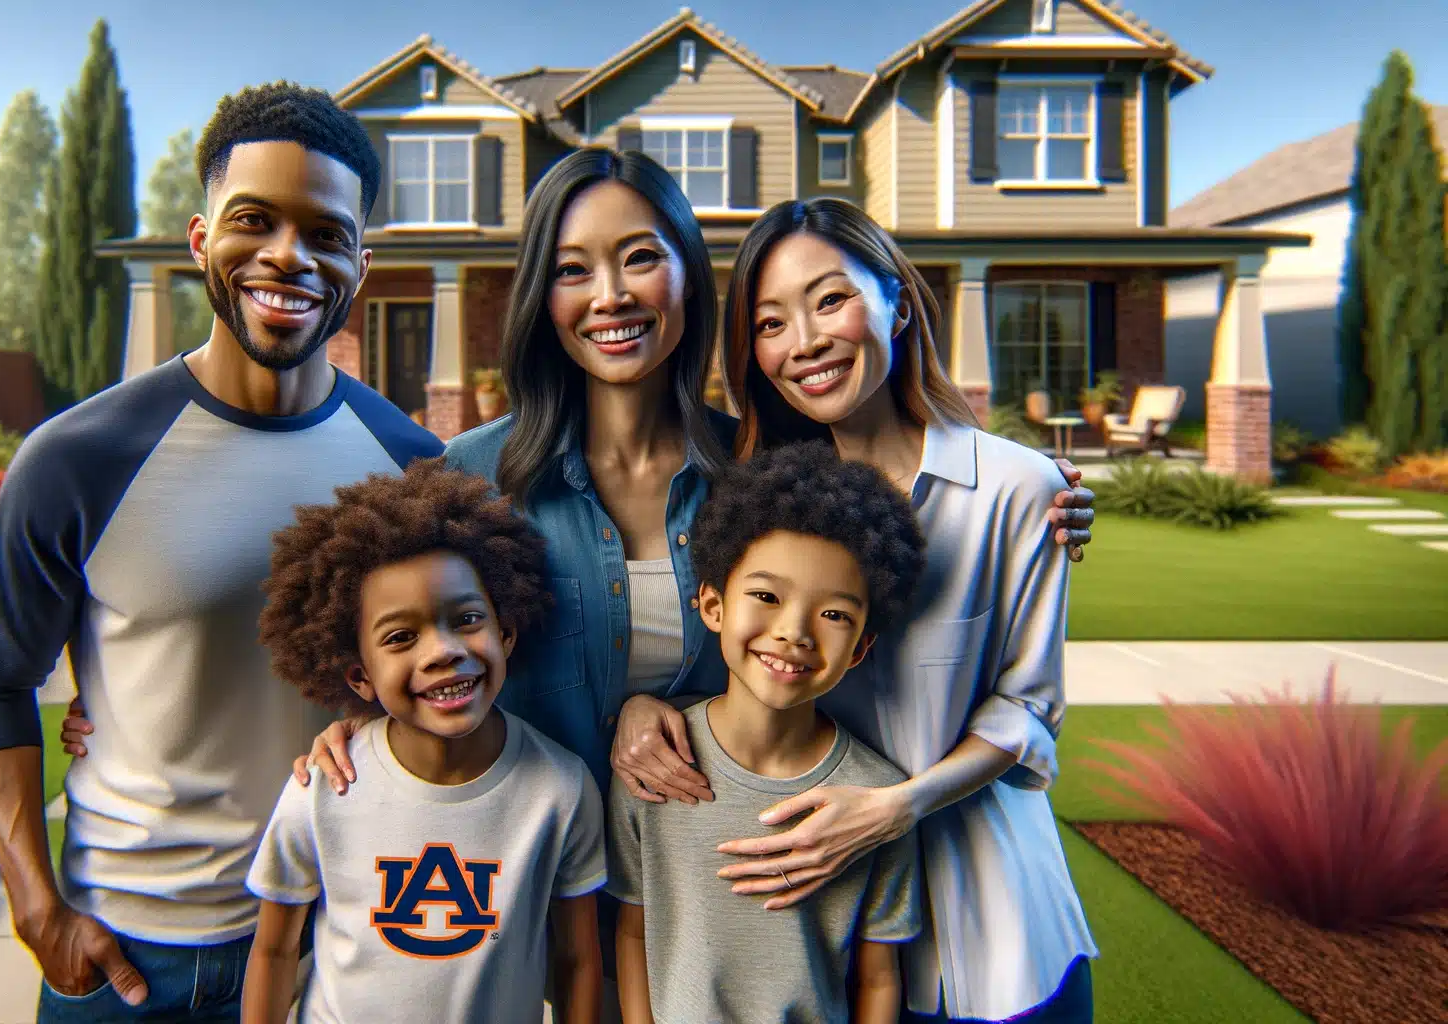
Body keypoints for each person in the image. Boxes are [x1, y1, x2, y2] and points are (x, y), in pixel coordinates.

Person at [61, 148, 1098, 1015]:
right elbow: (401, 640)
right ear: (538, 297)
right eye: (571, 268)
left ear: (688, 277)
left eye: (639, 258)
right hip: (518, 905)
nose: (608, 296)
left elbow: (852, 579)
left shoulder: (770, 482)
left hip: (718, 907)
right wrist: (349, 722)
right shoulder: (465, 481)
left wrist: (1042, 497)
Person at [0, 82, 442, 1024]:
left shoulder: (412, 468)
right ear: (199, 239)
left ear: (361, 266)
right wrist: (35, 905)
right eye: (253, 220)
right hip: (129, 962)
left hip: (335, 950)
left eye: (326, 234)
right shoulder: (80, 458)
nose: (288, 256)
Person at [657, 196, 1098, 1023]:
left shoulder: (1020, 490)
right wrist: (647, 709)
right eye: (770, 322)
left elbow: (1029, 710)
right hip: (824, 943)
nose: (807, 342)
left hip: (994, 935)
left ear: (897, 301)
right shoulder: (759, 506)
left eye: (831, 299)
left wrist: (897, 807)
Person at [241, 459, 605, 1024]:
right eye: (401, 637)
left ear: (505, 633)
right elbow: (274, 950)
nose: (441, 652)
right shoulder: (321, 790)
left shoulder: (560, 789)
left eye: (466, 619)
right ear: (359, 676)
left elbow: (578, 959)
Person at [610, 442, 928, 1024]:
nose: (794, 633)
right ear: (712, 604)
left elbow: (880, 976)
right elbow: (633, 932)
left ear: (860, 648)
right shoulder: (652, 764)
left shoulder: (877, 797)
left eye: (834, 614)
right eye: (766, 596)